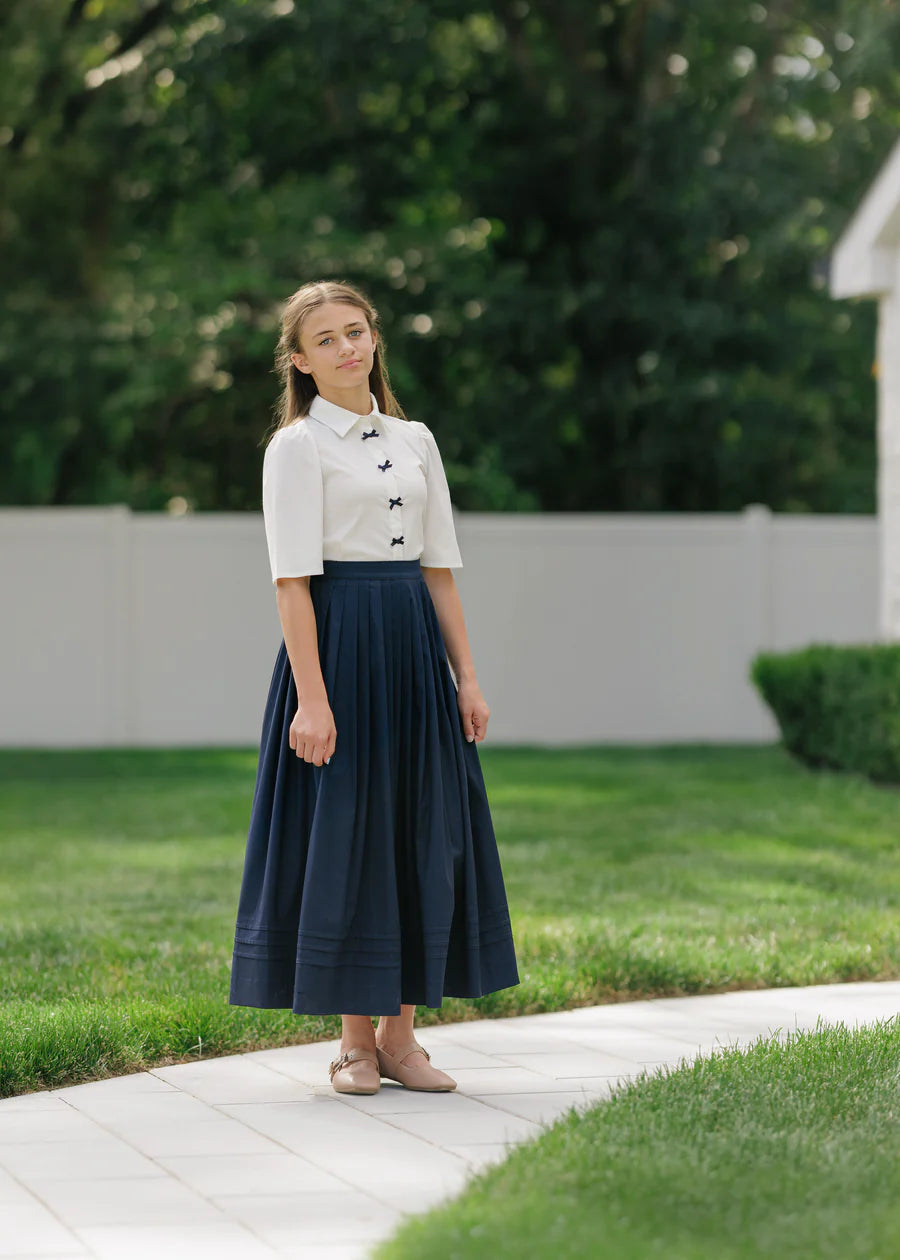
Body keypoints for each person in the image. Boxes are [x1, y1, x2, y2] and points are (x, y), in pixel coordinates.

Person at [229, 279, 519, 1096]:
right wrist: (313, 699)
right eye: (325, 339)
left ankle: (402, 1041)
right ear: (300, 361)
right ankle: (354, 1044)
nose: (346, 348)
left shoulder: (416, 439)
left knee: (422, 830)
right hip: (340, 647)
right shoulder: (296, 448)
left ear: (374, 339)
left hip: (414, 652)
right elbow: (291, 583)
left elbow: (439, 569)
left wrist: (467, 678)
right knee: (350, 833)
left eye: (355, 331)